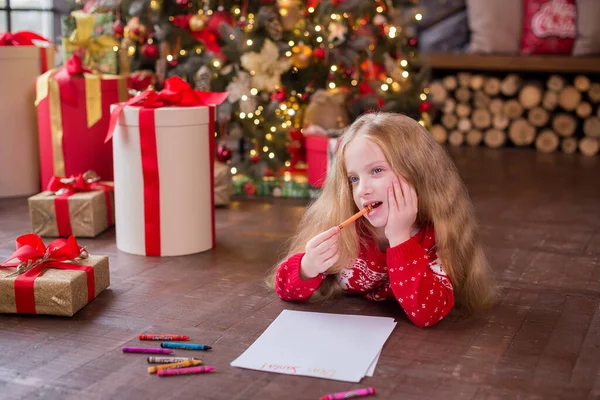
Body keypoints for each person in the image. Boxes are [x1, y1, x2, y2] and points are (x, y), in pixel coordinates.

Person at [266, 112, 497, 328]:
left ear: (417, 173)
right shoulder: (345, 225)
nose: (363, 190)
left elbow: (428, 314)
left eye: (376, 171)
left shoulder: (436, 236)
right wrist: (308, 267)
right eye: (354, 178)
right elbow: (284, 289)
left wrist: (399, 238)